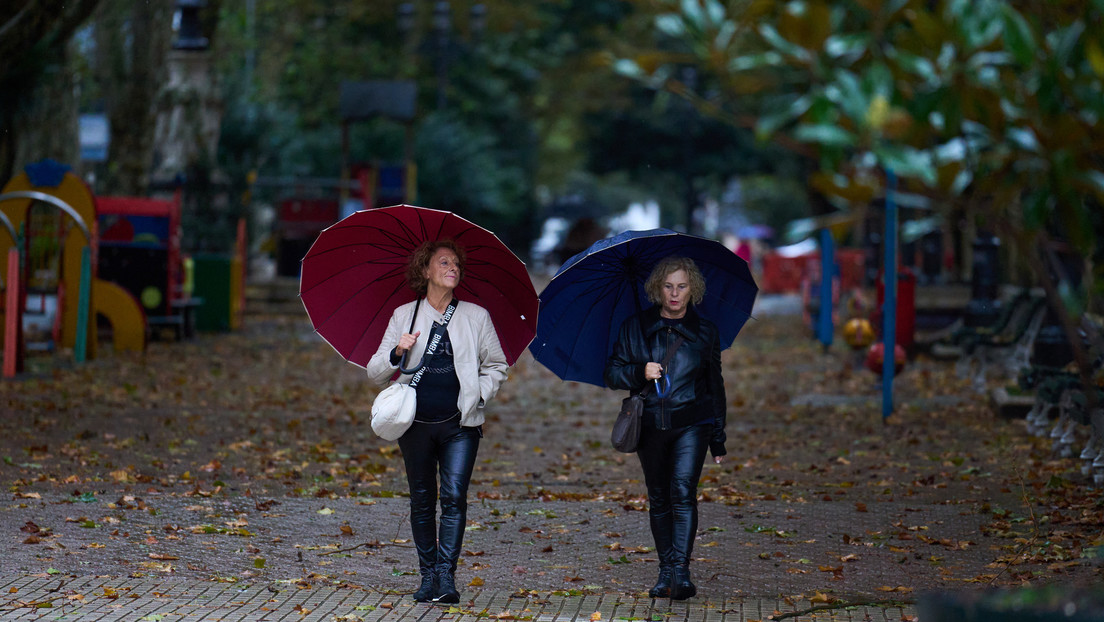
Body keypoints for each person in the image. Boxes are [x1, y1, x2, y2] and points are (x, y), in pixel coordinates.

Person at [366, 240, 509, 604]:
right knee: (422, 499)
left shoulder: (475, 316)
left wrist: (478, 396)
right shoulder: (404, 315)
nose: (453, 268)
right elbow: (375, 372)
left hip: (460, 423)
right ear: (425, 271)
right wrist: (398, 350)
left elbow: (497, 365)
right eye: (444, 262)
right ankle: (427, 576)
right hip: (415, 424)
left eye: (457, 263)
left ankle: (446, 576)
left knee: (455, 497)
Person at [603, 256, 726, 600]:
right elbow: (612, 373)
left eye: (682, 286)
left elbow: (715, 386)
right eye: (668, 286)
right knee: (659, 497)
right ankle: (665, 572)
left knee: (683, 492)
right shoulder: (634, 327)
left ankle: (681, 573)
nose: (675, 293)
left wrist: (718, 437)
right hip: (651, 425)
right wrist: (639, 372)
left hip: (693, 422)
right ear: (657, 289)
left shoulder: (706, 332)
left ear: (693, 290)